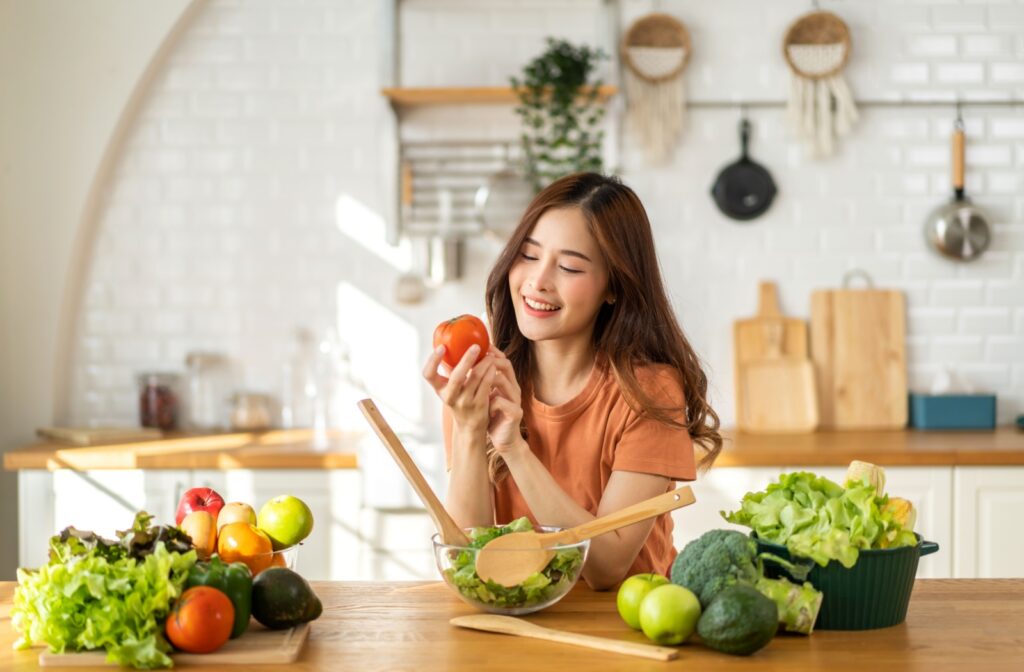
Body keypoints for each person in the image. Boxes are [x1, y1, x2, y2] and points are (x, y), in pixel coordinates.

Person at [422, 172, 722, 590]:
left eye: (568, 266)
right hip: (516, 623)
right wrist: (471, 429)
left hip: (627, 627)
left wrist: (514, 448)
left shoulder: (648, 393)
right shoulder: (482, 385)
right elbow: (465, 562)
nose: (537, 281)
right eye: (527, 256)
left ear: (613, 287)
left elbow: (606, 567)